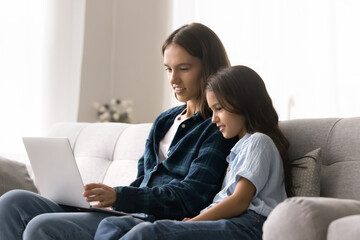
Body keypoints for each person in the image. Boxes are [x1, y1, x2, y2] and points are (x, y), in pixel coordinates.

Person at [0, 23, 237, 240]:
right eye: (168, 69)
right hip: (127, 211)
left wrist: (120, 196)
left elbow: (190, 197)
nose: (173, 78)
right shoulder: (164, 120)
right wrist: (105, 200)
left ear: (208, 68)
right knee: (12, 201)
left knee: (40, 227)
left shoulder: (217, 127)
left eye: (183, 68)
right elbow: (143, 180)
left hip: (150, 221)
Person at [93, 65, 293, 240]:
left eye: (219, 109)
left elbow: (239, 201)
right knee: (112, 225)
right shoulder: (238, 147)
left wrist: (193, 222)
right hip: (228, 220)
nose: (214, 119)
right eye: (212, 111)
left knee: (150, 233)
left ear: (244, 103)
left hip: (249, 225)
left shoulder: (259, 141)